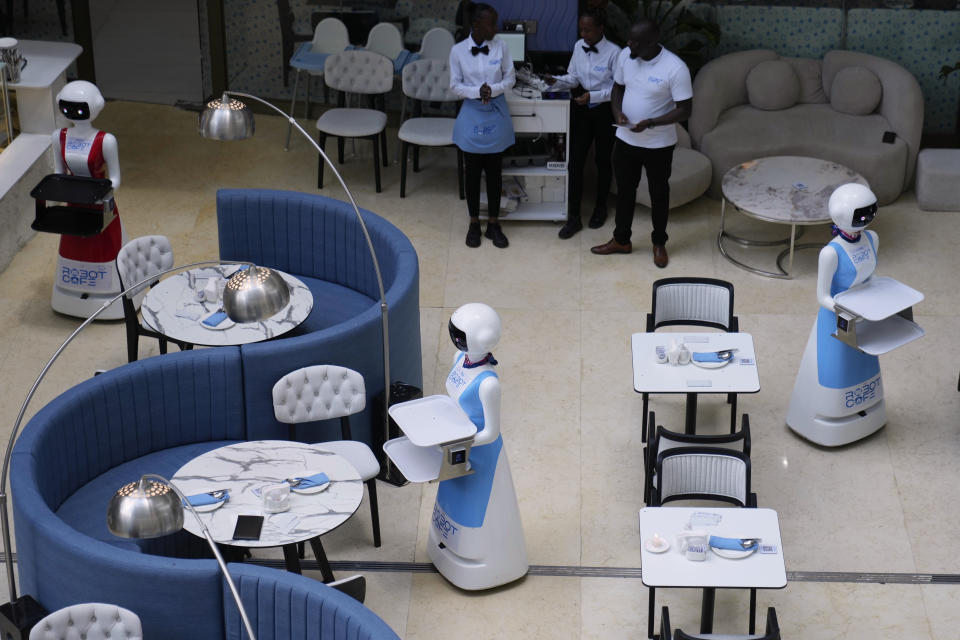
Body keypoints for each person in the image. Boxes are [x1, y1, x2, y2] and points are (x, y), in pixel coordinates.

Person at [590, 19, 692, 268]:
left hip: (658, 144)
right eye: (629, 38)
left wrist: (652, 122)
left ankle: (659, 243)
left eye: (634, 41)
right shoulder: (627, 55)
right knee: (625, 192)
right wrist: (617, 113)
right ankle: (621, 240)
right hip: (625, 139)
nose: (628, 43)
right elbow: (617, 90)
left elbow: (685, 110)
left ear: (651, 42)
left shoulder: (675, 68)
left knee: (659, 195)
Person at [545, 8, 620, 239]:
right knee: (575, 161)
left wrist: (594, 96)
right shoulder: (579, 46)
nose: (583, 34)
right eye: (581, 30)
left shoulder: (615, 52)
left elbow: (619, 88)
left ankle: (600, 208)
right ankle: (574, 217)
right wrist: (556, 81)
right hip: (581, 108)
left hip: (605, 110)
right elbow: (574, 77)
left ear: (601, 29)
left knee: (603, 160)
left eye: (588, 30)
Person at [449, 2, 516, 248]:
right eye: (491, 23)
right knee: (473, 173)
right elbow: (455, 86)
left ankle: (494, 224)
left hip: (495, 111)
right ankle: (474, 223)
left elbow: (510, 78)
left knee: (495, 173)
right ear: (476, 25)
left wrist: (493, 89)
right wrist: (477, 91)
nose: (495, 27)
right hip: (472, 113)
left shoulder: (502, 47)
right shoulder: (457, 51)